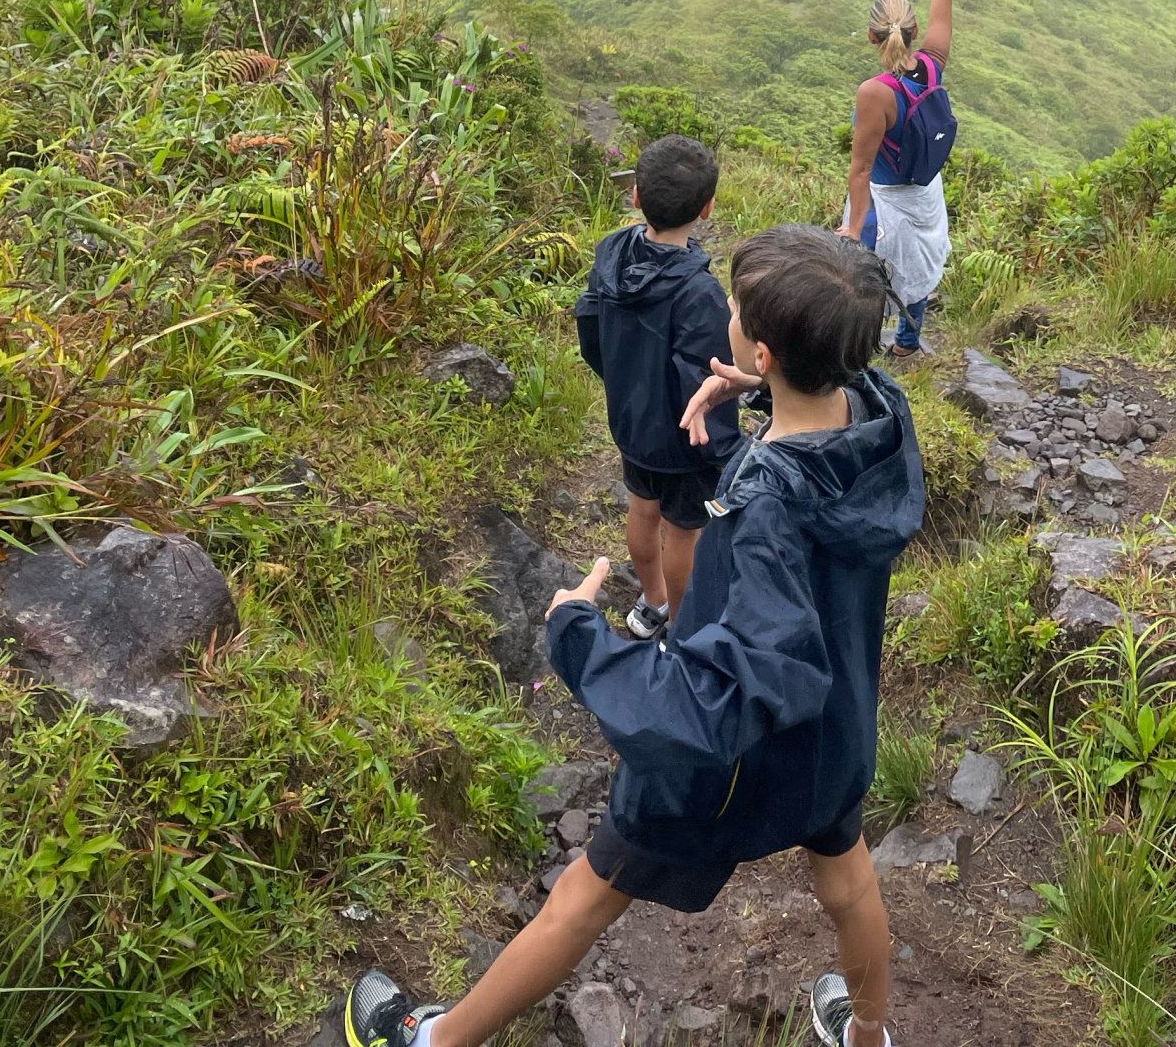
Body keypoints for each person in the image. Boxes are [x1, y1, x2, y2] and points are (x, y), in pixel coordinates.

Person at [344, 225, 925, 1047]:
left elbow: (715, 699)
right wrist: (757, 397)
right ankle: (867, 1035)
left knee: (588, 893)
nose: (724, 310)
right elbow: (814, 446)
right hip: (833, 728)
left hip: (725, 767)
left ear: (762, 350)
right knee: (848, 885)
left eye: (734, 306)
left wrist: (578, 631)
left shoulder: (765, 507)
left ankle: (434, 1041)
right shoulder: (878, 420)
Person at [575, 133, 740, 639]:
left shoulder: (612, 255)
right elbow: (708, 380)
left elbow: (591, 333)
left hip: (632, 423)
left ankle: (651, 604)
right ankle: (683, 629)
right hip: (685, 443)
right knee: (683, 533)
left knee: (642, 510)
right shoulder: (698, 291)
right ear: (708, 207)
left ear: (637, 197)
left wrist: (625, 385)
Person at [840, 0, 1005, 353]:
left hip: (886, 197)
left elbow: (861, 169)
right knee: (917, 267)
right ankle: (909, 342)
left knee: (862, 276)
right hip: (926, 191)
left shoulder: (875, 92)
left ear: (873, 38)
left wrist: (853, 229)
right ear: (912, 32)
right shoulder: (934, 62)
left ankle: (857, 350)